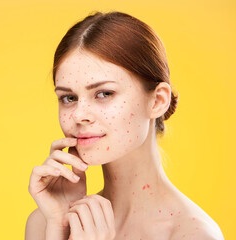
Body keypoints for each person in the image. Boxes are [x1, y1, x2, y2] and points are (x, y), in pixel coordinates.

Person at [25, 11, 224, 240]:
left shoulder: (193, 234)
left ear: (158, 101)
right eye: (69, 98)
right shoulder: (46, 223)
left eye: (104, 93)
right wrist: (58, 227)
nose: (79, 115)